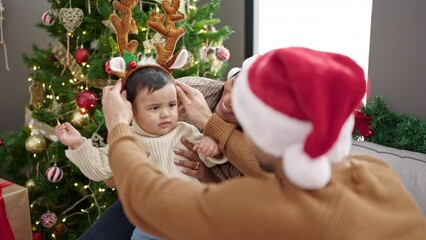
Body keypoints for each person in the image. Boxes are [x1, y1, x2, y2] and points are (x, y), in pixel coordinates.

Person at [102, 47, 426, 239]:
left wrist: (118, 126)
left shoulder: (267, 205)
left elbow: (151, 199)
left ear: (265, 134)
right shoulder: (377, 172)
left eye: (248, 119)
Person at [55, 65, 230, 240]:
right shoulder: (127, 138)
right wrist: (78, 144)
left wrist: (211, 146)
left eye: (171, 105)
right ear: (132, 111)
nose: (166, 114)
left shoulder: (185, 130)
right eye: (154, 108)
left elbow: (208, 159)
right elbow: (100, 168)